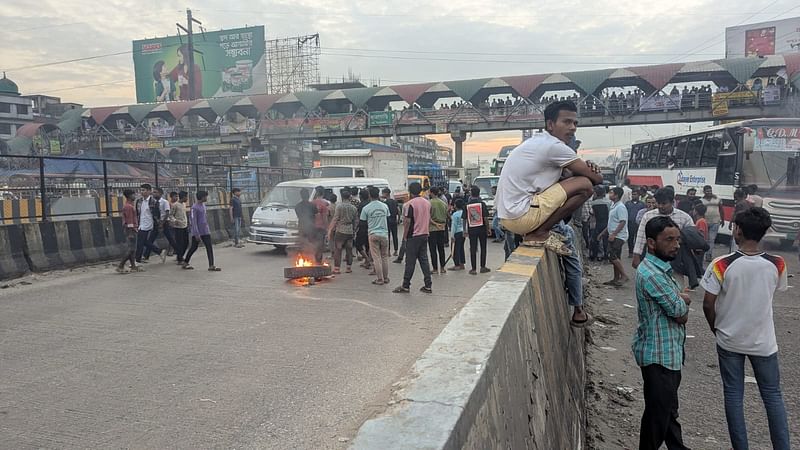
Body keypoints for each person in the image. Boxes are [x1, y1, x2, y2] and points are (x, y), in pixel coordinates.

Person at [700, 207, 790, 450]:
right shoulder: (778, 264)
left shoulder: (722, 264)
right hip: (764, 342)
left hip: (729, 340)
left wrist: (715, 328)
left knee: (733, 396)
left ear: (737, 229)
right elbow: (774, 292)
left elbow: (708, 303)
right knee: (772, 397)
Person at [495, 101, 603, 254]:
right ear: (550, 124)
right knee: (585, 185)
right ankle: (540, 233)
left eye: (575, 123)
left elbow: (568, 177)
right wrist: (590, 170)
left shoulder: (538, 141)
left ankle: (538, 231)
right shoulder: (554, 146)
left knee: (579, 180)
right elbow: (597, 179)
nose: (572, 127)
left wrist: (586, 167)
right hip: (521, 216)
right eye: (566, 122)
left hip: (509, 217)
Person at [632, 216, 691, 450]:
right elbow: (679, 313)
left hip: (665, 354)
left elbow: (678, 302)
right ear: (651, 243)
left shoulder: (658, 269)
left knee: (667, 412)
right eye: (669, 240)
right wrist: (682, 300)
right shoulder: (654, 275)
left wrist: (680, 298)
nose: (676, 245)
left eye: (678, 239)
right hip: (660, 356)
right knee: (657, 418)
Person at [632, 188, 694, 288]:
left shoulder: (684, 217)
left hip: (676, 263)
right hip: (653, 261)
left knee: (677, 290)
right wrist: (636, 255)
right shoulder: (648, 216)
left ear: (672, 202)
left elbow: (692, 237)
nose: (660, 206)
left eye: (664, 203)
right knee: (652, 289)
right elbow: (641, 237)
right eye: (658, 203)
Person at [393, 182, 433, 294]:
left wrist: (405, 237)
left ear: (410, 191)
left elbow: (407, 222)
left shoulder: (408, 205)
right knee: (424, 260)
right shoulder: (427, 203)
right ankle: (428, 285)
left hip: (413, 236)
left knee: (410, 262)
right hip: (424, 234)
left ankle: (406, 285)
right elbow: (429, 219)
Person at [183, 191, 221, 271]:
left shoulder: (203, 205)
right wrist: (196, 234)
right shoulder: (194, 208)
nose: (207, 198)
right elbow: (193, 221)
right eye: (205, 197)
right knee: (193, 247)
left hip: (205, 230)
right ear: (202, 197)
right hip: (198, 232)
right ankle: (185, 262)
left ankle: (211, 265)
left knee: (209, 247)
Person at [599, 187, 629, 285]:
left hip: (619, 236)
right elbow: (611, 223)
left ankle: (624, 275)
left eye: (611, 193)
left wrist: (614, 234)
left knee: (611, 255)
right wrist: (603, 233)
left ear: (616, 195)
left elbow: (622, 221)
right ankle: (616, 279)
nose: (609, 194)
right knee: (616, 257)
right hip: (613, 234)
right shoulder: (613, 205)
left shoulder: (620, 207)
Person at [362, 187, 391, 285]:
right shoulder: (384, 206)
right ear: (378, 194)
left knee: (376, 258)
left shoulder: (366, 208)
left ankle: (379, 279)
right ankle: (386, 278)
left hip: (373, 234)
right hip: (384, 234)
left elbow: (363, 221)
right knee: (384, 257)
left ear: (369, 195)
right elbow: (388, 217)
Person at [328, 189, 358, 275]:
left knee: (338, 249)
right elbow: (356, 220)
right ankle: (348, 268)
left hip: (340, 230)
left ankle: (337, 269)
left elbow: (335, 219)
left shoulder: (339, 207)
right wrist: (354, 230)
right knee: (349, 249)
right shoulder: (354, 208)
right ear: (349, 197)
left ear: (342, 197)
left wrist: (330, 230)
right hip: (349, 231)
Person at [135, 183, 166, 264]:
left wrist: (158, 224)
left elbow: (156, 214)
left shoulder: (153, 202)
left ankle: (137, 261)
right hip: (141, 223)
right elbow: (138, 213)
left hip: (149, 224)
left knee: (140, 243)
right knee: (144, 242)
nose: (142, 192)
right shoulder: (139, 201)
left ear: (149, 191)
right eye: (141, 190)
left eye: (143, 190)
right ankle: (159, 251)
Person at [466, 186, 491, 275]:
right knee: (483, 248)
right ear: (479, 193)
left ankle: (473, 269)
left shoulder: (468, 205)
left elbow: (464, 219)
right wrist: (488, 228)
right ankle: (483, 267)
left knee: (473, 248)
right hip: (482, 229)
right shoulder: (482, 204)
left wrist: (464, 231)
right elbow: (485, 218)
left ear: (471, 194)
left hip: (472, 230)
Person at [117, 189, 142, 273]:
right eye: (134, 194)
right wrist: (131, 232)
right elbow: (130, 221)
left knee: (133, 249)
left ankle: (133, 266)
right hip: (131, 230)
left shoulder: (129, 206)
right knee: (131, 249)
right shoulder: (129, 207)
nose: (135, 196)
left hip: (131, 229)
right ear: (130, 196)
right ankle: (121, 265)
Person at [700, 185, 724, 262]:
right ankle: (702, 254)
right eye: (707, 191)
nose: (709, 192)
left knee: (711, 239)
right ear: (704, 192)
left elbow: (721, 210)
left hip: (715, 222)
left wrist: (722, 219)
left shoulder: (717, 199)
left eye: (710, 191)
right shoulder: (701, 200)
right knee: (704, 239)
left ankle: (708, 255)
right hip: (705, 222)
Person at [428, 186, 449, 274]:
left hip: (432, 228)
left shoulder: (429, 203)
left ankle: (435, 268)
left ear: (432, 193)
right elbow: (446, 215)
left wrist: (434, 223)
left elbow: (428, 217)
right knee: (441, 248)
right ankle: (443, 267)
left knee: (433, 249)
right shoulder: (443, 203)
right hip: (442, 227)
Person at [295, 187, 318, 259]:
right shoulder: (312, 205)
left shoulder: (297, 206)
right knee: (312, 243)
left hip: (301, 227)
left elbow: (298, 215)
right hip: (311, 227)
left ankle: (302, 258)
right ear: (308, 196)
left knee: (302, 243)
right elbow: (316, 213)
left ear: (301, 196)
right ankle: (312, 258)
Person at [589, 185, 611, 262]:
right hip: (606, 223)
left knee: (596, 240)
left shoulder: (593, 203)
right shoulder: (608, 202)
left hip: (598, 223)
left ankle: (595, 256)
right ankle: (606, 256)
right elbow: (610, 213)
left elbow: (592, 213)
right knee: (606, 240)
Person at [311, 186, 331, 264]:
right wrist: (327, 228)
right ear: (323, 193)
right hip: (321, 228)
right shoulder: (325, 204)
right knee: (320, 246)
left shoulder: (312, 203)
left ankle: (316, 260)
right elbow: (325, 217)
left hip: (313, 227)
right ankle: (318, 262)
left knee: (315, 245)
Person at [625, 189, 647, 258]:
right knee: (630, 238)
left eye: (635, 194)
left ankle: (638, 252)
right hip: (630, 223)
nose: (633, 196)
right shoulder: (628, 203)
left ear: (638, 195)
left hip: (638, 224)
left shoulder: (642, 204)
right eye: (633, 194)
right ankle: (630, 252)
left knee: (638, 238)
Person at [170, 191, 189, 265]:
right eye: (186, 197)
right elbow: (171, 215)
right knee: (180, 243)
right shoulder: (175, 205)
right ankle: (179, 258)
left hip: (184, 225)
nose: (187, 198)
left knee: (186, 242)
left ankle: (180, 255)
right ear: (183, 197)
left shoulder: (184, 204)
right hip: (178, 227)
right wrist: (175, 221)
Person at [355, 189, 372, 269]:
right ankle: (367, 261)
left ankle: (367, 259)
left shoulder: (361, 205)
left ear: (361, 196)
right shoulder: (370, 203)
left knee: (358, 244)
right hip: (370, 226)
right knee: (368, 245)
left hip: (363, 227)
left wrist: (356, 228)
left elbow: (359, 218)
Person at [730, 189, 750, 253]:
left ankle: (735, 252)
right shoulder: (745, 202)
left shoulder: (740, 204)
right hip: (744, 224)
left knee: (736, 238)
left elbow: (736, 214)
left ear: (736, 195)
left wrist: (731, 222)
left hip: (738, 224)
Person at [381, 188, 400, 256]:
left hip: (387, 221)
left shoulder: (384, 203)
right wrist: (398, 219)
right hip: (394, 220)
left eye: (383, 193)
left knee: (387, 236)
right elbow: (398, 210)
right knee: (395, 236)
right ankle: (396, 251)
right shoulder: (395, 201)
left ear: (386, 194)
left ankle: (388, 252)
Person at [450, 198, 466, 271]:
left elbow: (454, 225)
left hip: (457, 232)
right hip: (463, 232)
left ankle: (456, 264)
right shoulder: (464, 212)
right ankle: (462, 263)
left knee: (456, 249)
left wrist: (452, 235)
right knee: (461, 248)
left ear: (456, 205)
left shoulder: (455, 214)